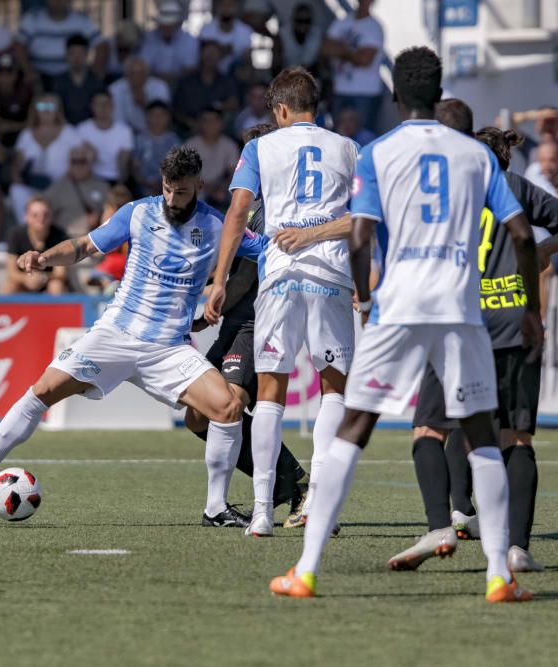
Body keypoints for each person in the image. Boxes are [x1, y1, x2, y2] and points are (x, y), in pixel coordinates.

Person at [265, 47, 540, 603]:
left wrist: (365, 298)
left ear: (395, 95)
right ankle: (498, 575)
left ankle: (307, 569)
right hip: (460, 309)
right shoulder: (476, 156)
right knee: (484, 434)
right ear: (439, 96)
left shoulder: (379, 153)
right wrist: (533, 308)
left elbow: (362, 235)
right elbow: (522, 235)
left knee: (355, 427)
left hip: (400, 306)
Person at [0, 148, 263, 507]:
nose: (171, 198)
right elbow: (85, 246)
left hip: (169, 348)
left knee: (227, 408)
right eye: (166, 189)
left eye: (180, 192)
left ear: (198, 185)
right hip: (115, 334)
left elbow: (269, 251)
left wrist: (309, 237)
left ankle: (215, 508)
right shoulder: (137, 213)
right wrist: (43, 258)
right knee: (42, 390)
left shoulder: (217, 226)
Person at [390, 106, 558, 574]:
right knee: (515, 438)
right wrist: (543, 252)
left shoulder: (443, 194)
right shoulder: (520, 189)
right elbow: (532, 238)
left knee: (430, 429)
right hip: (513, 324)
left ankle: (441, 524)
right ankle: (516, 547)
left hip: (457, 321)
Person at [206, 67, 358, 537]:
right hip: (331, 273)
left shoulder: (259, 146)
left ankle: (261, 513)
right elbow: (366, 217)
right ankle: (316, 502)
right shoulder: (348, 148)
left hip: (278, 278)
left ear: (281, 109)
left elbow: (236, 212)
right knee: (334, 388)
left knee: (271, 392)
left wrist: (218, 279)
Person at [188, 122, 311, 528]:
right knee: (198, 415)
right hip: (237, 322)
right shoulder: (252, 205)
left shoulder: (267, 211)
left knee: (229, 403)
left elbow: (242, 278)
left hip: (257, 321)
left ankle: (294, 482)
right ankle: (283, 484)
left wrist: (213, 304)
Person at [9, 94, 81, 223]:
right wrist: (19, 175)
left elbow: (81, 158)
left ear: (58, 110)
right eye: (42, 106)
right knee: (16, 190)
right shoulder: (26, 134)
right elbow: (17, 165)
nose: (46, 110)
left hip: (60, 184)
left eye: (51, 106)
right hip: (32, 185)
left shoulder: (69, 132)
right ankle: (27, 229)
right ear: (35, 110)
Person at [322, 0, 384, 134]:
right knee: (338, 137)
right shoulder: (343, 22)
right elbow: (326, 48)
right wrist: (353, 52)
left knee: (364, 137)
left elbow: (365, 59)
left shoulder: (374, 27)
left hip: (366, 93)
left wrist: (341, 50)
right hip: (340, 90)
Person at [14, 0, 106, 89]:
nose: (58, 0)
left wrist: (95, 73)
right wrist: (28, 71)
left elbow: (101, 45)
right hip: (39, 78)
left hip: (71, 80)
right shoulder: (33, 19)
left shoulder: (81, 20)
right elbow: (18, 46)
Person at [2, 195, 68, 295]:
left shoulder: (60, 235)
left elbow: (61, 273)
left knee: (56, 286)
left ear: (51, 217)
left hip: (48, 282)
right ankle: (3, 311)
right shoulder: (15, 234)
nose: (41, 219)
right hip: (23, 283)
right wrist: (26, 278)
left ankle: (57, 311)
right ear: (26, 217)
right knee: (9, 286)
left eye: (45, 214)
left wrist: (43, 277)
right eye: (35, 215)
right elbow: (11, 272)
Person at [173, 40, 241, 136]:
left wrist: (220, 106)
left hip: (219, 131)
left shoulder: (227, 81)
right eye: (207, 53)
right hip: (189, 130)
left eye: (214, 53)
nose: (210, 56)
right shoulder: (186, 82)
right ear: (200, 55)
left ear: (220, 57)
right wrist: (191, 123)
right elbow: (177, 111)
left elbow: (234, 103)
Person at [44, 144, 109, 236]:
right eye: (74, 161)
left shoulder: (102, 186)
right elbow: (44, 213)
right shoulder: (57, 188)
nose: (78, 165)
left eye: (82, 161)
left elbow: (111, 213)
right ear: (69, 163)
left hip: (93, 240)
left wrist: (99, 216)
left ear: (90, 163)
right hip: (65, 239)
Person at [184, 106, 239, 209]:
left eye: (214, 121)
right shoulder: (191, 144)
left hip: (221, 186)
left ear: (221, 123)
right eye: (206, 121)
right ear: (200, 123)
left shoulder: (229, 145)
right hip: (197, 187)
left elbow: (233, 173)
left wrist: (221, 187)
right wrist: (203, 187)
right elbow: (185, 173)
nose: (210, 124)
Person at [76, 91, 132, 186]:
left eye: (106, 104)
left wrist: (119, 186)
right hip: (89, 179)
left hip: (114, 179)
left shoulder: (124, 131)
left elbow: (123, 163)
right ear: (92, 107)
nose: (102, 107)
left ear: (112, 106)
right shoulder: (82, 129)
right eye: (98, 104)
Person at [50, 34, 106, 126]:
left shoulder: (97, 82)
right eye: (73, 53)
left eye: (81, 53)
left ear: (87, 55)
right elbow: (51, 107)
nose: (77, 58)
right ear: (67, 55)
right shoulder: (57, 82)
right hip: (64, 129)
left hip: (91, 129)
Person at [0, 52, 33, 148]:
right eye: (0, 71)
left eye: (9, 72)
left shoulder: (26, 90)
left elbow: (33, 121)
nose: (4, 76)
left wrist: (11, 126)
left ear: (16, 74)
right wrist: (19, 125)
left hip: (23, 136)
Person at [138, 2, 198, 85]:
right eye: (164, 24)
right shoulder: (150, 37)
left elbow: (190, 68)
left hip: (182, 85)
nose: (167, 27)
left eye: (170, 24)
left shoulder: (190, 40)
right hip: (153, 83)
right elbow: (144, 65)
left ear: (178, 24)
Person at [109, 56, 171, 135]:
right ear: (126, 75)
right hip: (125, 135)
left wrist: (144, 104)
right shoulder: (115, 90)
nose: (137, 77)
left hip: (154, 134)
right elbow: (117, 121)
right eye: (133, 73)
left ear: (147, 74)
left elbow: (162, 119)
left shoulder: (160, 87)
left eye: (141, 73)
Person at [132, 100, 180, 196]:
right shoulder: (139, 139)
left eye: (162, 115)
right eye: (154, 115)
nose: (158, 118)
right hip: (143, 187)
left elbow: (178, 168)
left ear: (168, 118)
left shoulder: (174, 140)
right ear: (147, 117)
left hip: (169, 188)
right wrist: (146, 183)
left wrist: (163, 185)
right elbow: (134, 167)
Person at [198, 0, 254, 76]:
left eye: (230, 5)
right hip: (212, 77)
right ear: (217, 7)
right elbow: (202, 59)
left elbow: (248, 61)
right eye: (223, 5)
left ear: (236, 7)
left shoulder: (246, 31)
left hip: (236, 78)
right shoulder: (206, 30)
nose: (226, 8)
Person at [276, 2, 323, 74]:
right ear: (293, 20)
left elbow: (319, 63)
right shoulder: (282, 35)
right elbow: (276, 63)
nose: (303, 25)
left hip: (311, 75)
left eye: (307, 21)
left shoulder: (317, 34)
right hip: (285, 76)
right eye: (300, 21)